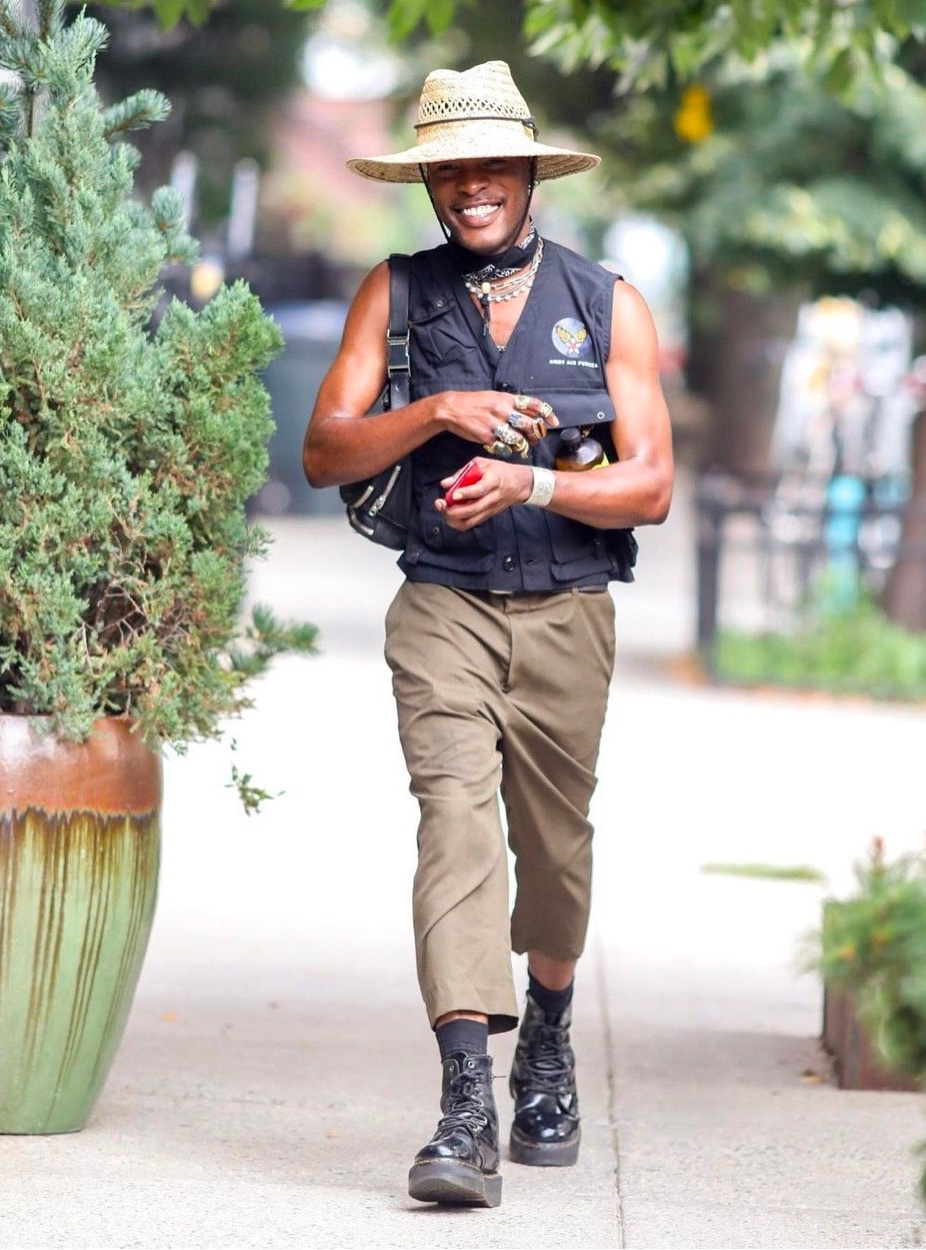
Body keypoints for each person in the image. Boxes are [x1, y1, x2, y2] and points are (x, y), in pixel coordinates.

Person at [303, 59, 673, 1210]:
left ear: (526, 173)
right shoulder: (395, 293)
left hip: (568, 611)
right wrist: (431, 412)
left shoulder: (605, 302)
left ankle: (546, 1037)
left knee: (553, 851)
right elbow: (323, 448)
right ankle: (466, 1101)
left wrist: (535, 487)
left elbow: (652, 483)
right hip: (442, 608)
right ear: (432, 183)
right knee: (454, 827)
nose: (469, 187)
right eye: (447, 169)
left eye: (487, 166)